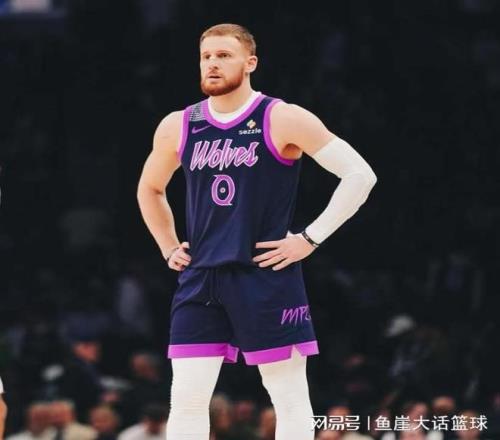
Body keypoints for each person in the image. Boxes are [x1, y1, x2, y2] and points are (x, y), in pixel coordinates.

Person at [137, 23, 377, 440]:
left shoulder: (282, 117)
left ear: (250, 63)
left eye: (223, 55)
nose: (212, 64)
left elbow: (360, 175)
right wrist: (168, 246)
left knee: (288, 396)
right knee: (187, 399)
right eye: (206, 56)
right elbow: (150, 188)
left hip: (265, 272)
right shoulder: (179, 124)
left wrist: (309, 239)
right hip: (201, 274)